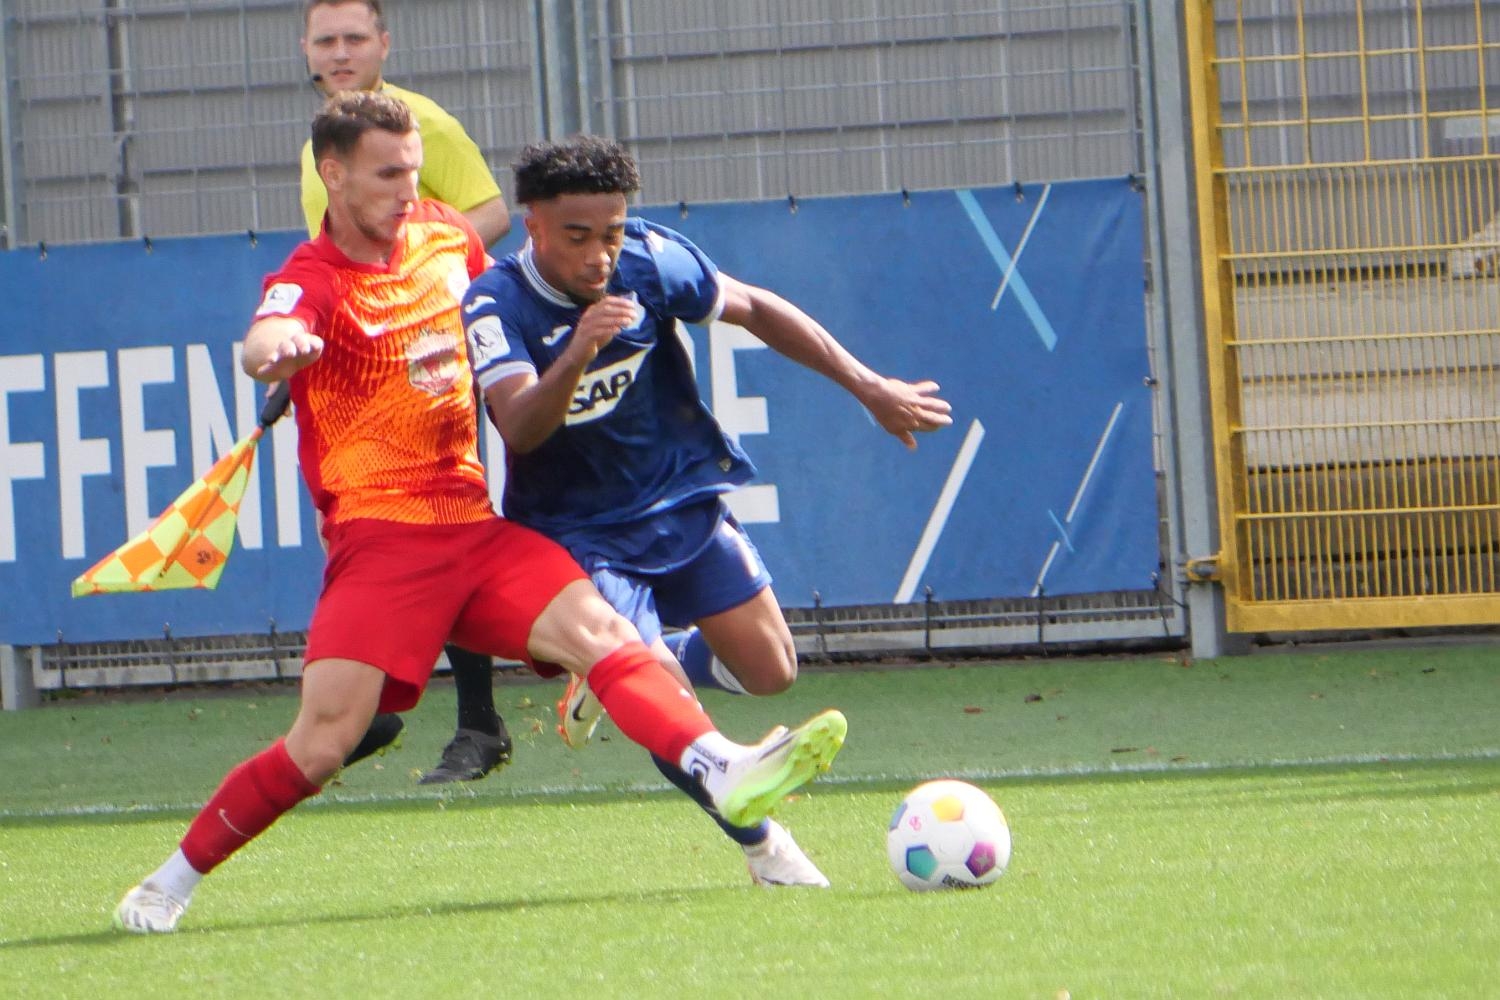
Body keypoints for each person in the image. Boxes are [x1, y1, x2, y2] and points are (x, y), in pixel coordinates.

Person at [111, 92, 847, 934]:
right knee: (321, 744)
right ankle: (167, 882)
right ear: (333, 174)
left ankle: (735, 789)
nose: (407, 192)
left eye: (413, 172)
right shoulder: (309, 279)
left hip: (474, 527)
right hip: (382, 545)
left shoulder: (445, 237)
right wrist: (277, 352)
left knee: (606, 637)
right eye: (387, 176)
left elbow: (505, 310)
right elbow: (265, 338)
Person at [460, 135, 951, 886]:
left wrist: (869, 387)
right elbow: (520, 426)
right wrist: (579, 351)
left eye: (611, 233)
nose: (599, 255)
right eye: (577, 237)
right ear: (533, 226)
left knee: (772, 671)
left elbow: (755, 307)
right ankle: (765, 849)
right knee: (662, 696)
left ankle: (620, 672)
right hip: (578, 535)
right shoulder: (495, 302)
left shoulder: (648, 260)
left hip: (679, 499)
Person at [300, 0, 512, 783]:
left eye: (356, 38)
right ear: (307, 51)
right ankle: (373, 704)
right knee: (354, 531)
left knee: (436, 526)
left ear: (384, 44)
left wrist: (420, 283)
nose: (342, 51)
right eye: (327, 40)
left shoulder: (420, 123)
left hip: (425, 359)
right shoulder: (325, 140)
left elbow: (491, 211)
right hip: (357, 365)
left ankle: (478, 723)